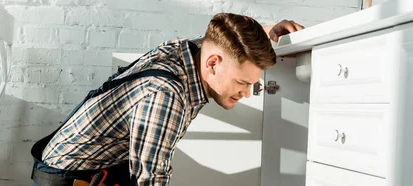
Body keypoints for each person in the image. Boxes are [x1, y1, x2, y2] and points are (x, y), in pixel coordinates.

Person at [30, 12, 305, 186]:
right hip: (68, 179)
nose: (246, 93)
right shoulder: (166, 96)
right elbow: (150, 179)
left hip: (94, 166)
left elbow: (218, 39)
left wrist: (265, 32)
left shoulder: (185, 53)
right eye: (242, 83)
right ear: (212, 64)